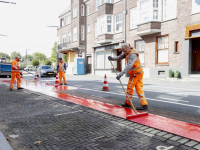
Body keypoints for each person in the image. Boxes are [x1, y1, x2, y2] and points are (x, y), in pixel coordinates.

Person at [108, 44, 148, 110]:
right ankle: (144, 104)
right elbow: (120, 57)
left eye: (125, 51)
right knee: (138, 88)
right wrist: (112, 58)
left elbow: (129, 66)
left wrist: (120, 74)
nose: (124, 52)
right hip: (139, 72)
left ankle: (128, 103)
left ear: (128, 48)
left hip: (135, 73)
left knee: (129, 88)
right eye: (123, 51)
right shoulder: (127, 52)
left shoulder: (133, 54)